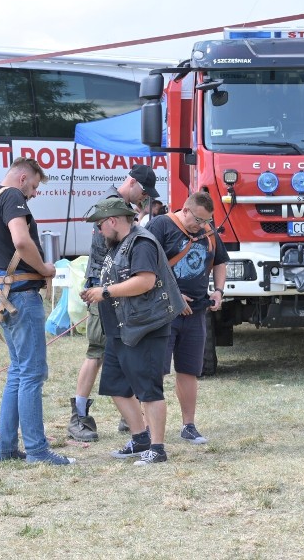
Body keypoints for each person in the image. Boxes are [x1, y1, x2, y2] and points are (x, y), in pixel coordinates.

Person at [0, 157, 74, 465]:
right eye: (33, 186)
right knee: (31, 373)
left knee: (18, 372)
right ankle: (37, 450)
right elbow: (21, 240)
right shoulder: (12, 196)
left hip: (2, 293)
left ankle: (7, 449)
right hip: (19, 294)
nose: (33, 194)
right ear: (22, 178)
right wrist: (45, 267)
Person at [80, 197, 184, 465]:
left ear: (113, 221)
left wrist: (104, 292)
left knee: (149, 390)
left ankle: (158, 448)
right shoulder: (117, 244)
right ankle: (141, 438)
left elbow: (145, 281)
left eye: (100, 225)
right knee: (116, 386)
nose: (99, 231)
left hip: (144, 327)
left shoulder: (142, 243)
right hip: (120, 328)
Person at [68, 164, 160, 442]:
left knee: (125, 348)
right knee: (97, 352)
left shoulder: (123, 206)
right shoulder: (109, 206)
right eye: (143, 192)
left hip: (114, 290)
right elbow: (106, 253)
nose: (144, 198)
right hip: (103, 289)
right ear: (131, 182)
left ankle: (128, 416)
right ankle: (79, 416)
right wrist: (102, 291)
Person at [147, 192, 229, 444]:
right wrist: (174, 296)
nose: (203, 226)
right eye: (199, 220)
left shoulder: (208, 233)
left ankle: (188, 425)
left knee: (189, 371)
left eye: (207, 221)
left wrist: (218, 291)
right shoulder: (160, 225)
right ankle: (148, 429)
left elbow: (220, 261)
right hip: (163, 312)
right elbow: (145, 264)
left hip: (195, 314)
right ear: (185, 210)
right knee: (155, 372)